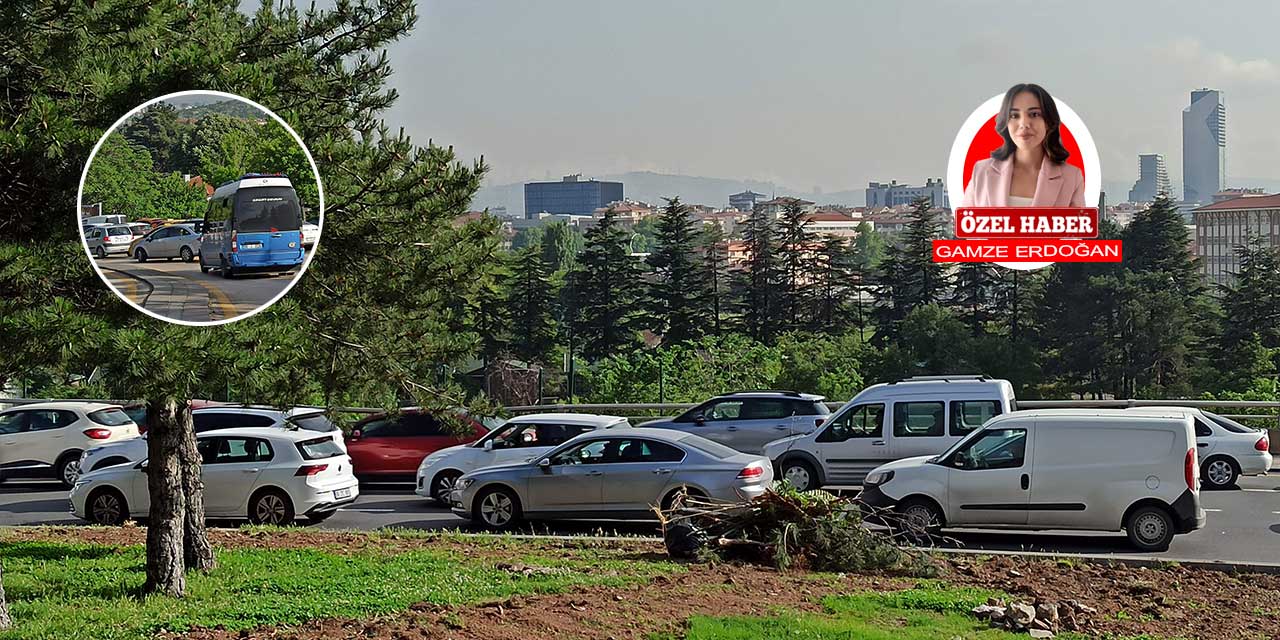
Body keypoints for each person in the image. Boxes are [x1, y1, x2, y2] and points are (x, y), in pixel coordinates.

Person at [961, 83, 1084, 207]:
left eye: (1034, 114)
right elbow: (964, 223)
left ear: (1048, 121)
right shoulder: (981, 171)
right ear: (1006, 122)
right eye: (1014, 115)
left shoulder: (1072, 177)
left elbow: (1080, 224)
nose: (1024, 124)